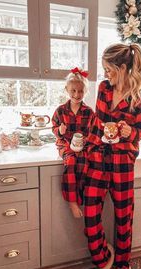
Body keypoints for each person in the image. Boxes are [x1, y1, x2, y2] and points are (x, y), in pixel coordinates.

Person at [84, 43, 141, 269]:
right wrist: (89, 148)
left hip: (123, 164)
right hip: (98, 159)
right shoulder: (103, 89)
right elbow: (96, 121)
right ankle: (103, 257)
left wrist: (129, 131)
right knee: (90, 215)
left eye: (109, 70)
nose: (105, 74)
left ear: (122, 68)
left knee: (124, 220)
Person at [52, 68, 94, 218]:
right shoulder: (60, 110)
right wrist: (60, 131)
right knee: (70, 162)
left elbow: (92, 132)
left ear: (85, 91)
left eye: (80, 91)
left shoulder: (89, 112)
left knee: (83, 161)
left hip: (82, 146)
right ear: (67, 90)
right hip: (65, 144)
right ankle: (72, 202)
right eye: (73, 91)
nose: (77, 95)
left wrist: (86, 140)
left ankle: (79, 196)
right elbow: (53, 128)